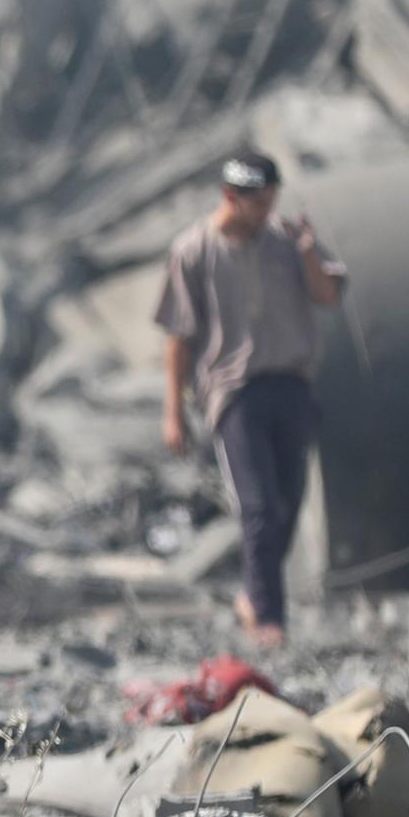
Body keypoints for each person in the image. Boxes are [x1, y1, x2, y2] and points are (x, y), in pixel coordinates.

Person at [158, 150, 346, 648]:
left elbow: (328, 295)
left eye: (270, 201)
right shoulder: (194, 250)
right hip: (233, 392)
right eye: (256, 204)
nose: (265, 212)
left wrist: (308, 252)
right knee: (258, 507)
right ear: (230, 198)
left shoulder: (286, 239)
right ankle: (269, 619)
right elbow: (178, 336)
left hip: (291, 384)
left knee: (288, 503)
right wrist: (173, 410)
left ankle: (253, 597)